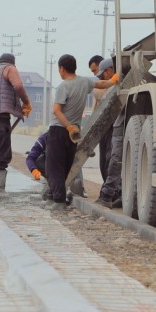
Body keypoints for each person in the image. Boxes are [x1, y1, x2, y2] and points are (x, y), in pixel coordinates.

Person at [45, 54, 117, 211]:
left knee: (54, 166)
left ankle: (57, 201)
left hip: (60, 129)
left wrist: (68, 126)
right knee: (65, 166)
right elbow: (104, 84)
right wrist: (115, 79)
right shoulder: (85, 82)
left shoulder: (64, 86)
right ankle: (57, 197)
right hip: (74, 134)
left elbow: (57, 110)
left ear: (62, 69)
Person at [0, 53, 33, 192]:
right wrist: (26, 102)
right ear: (12, 63)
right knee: (3, 157)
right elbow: (18, 86)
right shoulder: (10, 68)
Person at [95, 58, 124, 209]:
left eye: (102, 74)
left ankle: (110, 194)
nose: (101, 77)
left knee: (113, 158)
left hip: (117, 124)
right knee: (107, 160)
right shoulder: (110, 83)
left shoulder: (117, 81)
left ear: (109, 71)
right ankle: (115, 193)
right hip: (110, 124)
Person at [25, 130, 86, 201]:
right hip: (53, 164)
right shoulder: (43, 139)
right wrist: (34, 170)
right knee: (37, 161)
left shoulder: (67, 137)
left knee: (75, 158)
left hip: (67, 165)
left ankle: (75, 185)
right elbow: (30, 158)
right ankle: (53, 182)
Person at [88, 54, 113, 182]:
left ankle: (109, 188)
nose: (95, 74)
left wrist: (93, 87)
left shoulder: (110, 83)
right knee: (103, 159)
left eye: (95, 70)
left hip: (110, 126)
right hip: (102, 125)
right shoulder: (101, 83)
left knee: (109, 158)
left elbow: (103, 95)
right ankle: (106, 186)